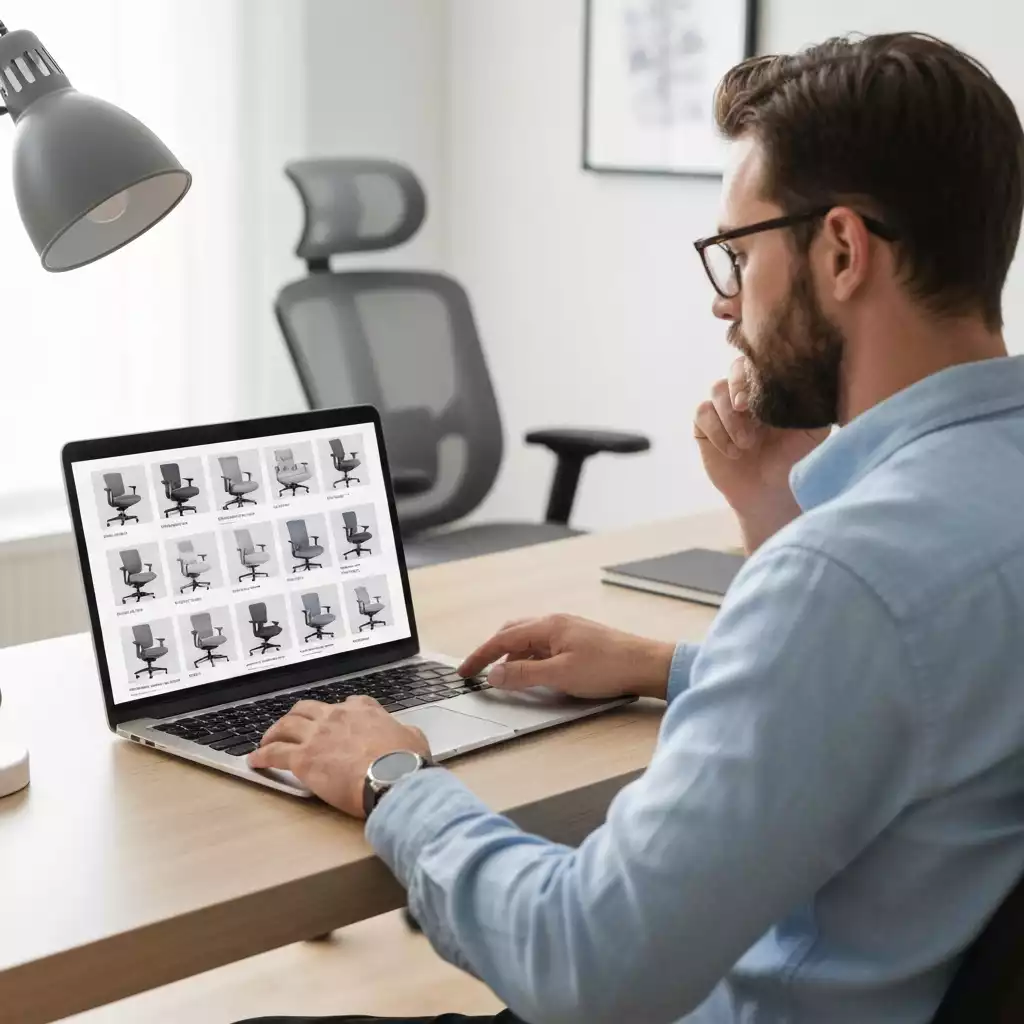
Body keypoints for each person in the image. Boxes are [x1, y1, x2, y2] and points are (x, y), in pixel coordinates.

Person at [238, 31, 1024, 1024]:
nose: (725, 306)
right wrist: (671, 659)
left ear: (838, 251)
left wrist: (391, 778)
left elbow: (588, 964)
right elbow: (909, 698)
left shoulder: (843, 579)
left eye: (739, 255)